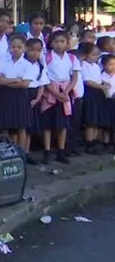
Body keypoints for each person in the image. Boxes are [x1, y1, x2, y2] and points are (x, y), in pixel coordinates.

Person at [0, 35, 35, 151]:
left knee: (20, 127)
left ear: (24, 48)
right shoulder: (4, 62)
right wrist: (14, 80)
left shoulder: (27, 65)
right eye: (13, 46)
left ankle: (20, 152)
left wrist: (5, 81)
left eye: (19, 47)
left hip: (20, 96)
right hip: (5, 95)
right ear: (9, 48)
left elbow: (24, 84)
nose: (16, 49)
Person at [40, 30, 79, 164]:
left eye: (62, 41)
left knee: (63, 124)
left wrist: (66, 92)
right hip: (50, 90)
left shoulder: (72, 58)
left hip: (65, 90)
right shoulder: (46, 57)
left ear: (67, 43)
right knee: (48, 124)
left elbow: (74, 77)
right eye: (56, 41)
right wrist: (56, 93)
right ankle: (47, 151)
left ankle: (61, 151)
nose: (59, 44)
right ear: (51, 43)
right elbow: (44, 77)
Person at [80, 42, 107, 155]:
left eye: (97, 55)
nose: (95, 57)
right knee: (90, 119)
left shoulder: (96, 66)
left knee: (96, 119)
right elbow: (88, 81)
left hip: (98, 93)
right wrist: (101, 86)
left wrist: (104, 83)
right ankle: (89, 143)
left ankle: (95, 141)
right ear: (85, 55)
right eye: (93, 54)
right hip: (90, 93)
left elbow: (98, 79)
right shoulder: (83, 65)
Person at [24, 38, 49, 157]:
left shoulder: (40, 66)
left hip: (34, 95)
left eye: (38, 50)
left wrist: (38, 99)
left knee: (30, 126)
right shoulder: (21, 63)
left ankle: (26, 152)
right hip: (22, 93)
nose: (35, 53)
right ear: (26, 49)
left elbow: (41, 85)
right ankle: (18, 151)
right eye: (32, 50)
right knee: (20, 126)